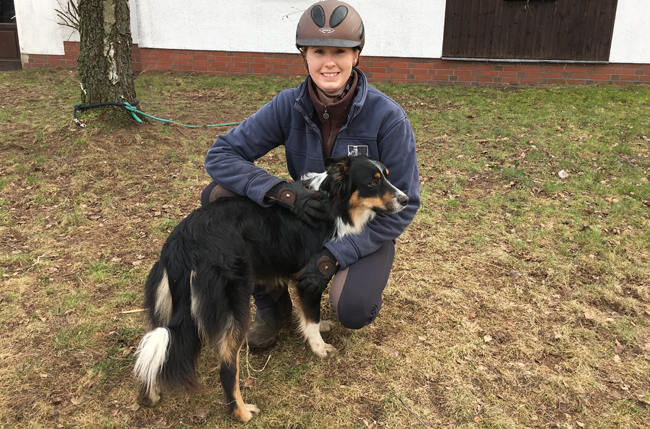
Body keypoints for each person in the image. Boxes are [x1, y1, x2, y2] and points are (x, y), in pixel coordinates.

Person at [201, 0, 420, 349]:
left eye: (340, 51)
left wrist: (336, 255)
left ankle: (341, 285)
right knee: (218, 196)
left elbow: (406, 204)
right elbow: (221, 154)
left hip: (360, 228)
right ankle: (273, 304)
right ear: (304, 55)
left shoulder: (388, 117)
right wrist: (280, 191)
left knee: (353, 308)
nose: (329, 63)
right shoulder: (288, 105)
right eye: (318, 51)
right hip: (305, 219)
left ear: (356, 55)